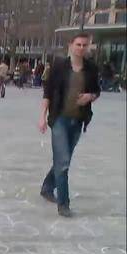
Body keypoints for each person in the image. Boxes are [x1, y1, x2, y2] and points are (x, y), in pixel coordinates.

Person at [39, 32, 100, 218]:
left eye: (85, 45)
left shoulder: (91, 68)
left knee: (62, 159)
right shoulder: (59, 66)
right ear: (71, 45)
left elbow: (97, 90)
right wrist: (42, 116)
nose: (81, 48)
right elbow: (47, 92)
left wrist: (90, 97)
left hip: (78, 120)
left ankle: (47, 187)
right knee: (63, 162)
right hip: (59, 119)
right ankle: (63, 204)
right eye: (78, 44)